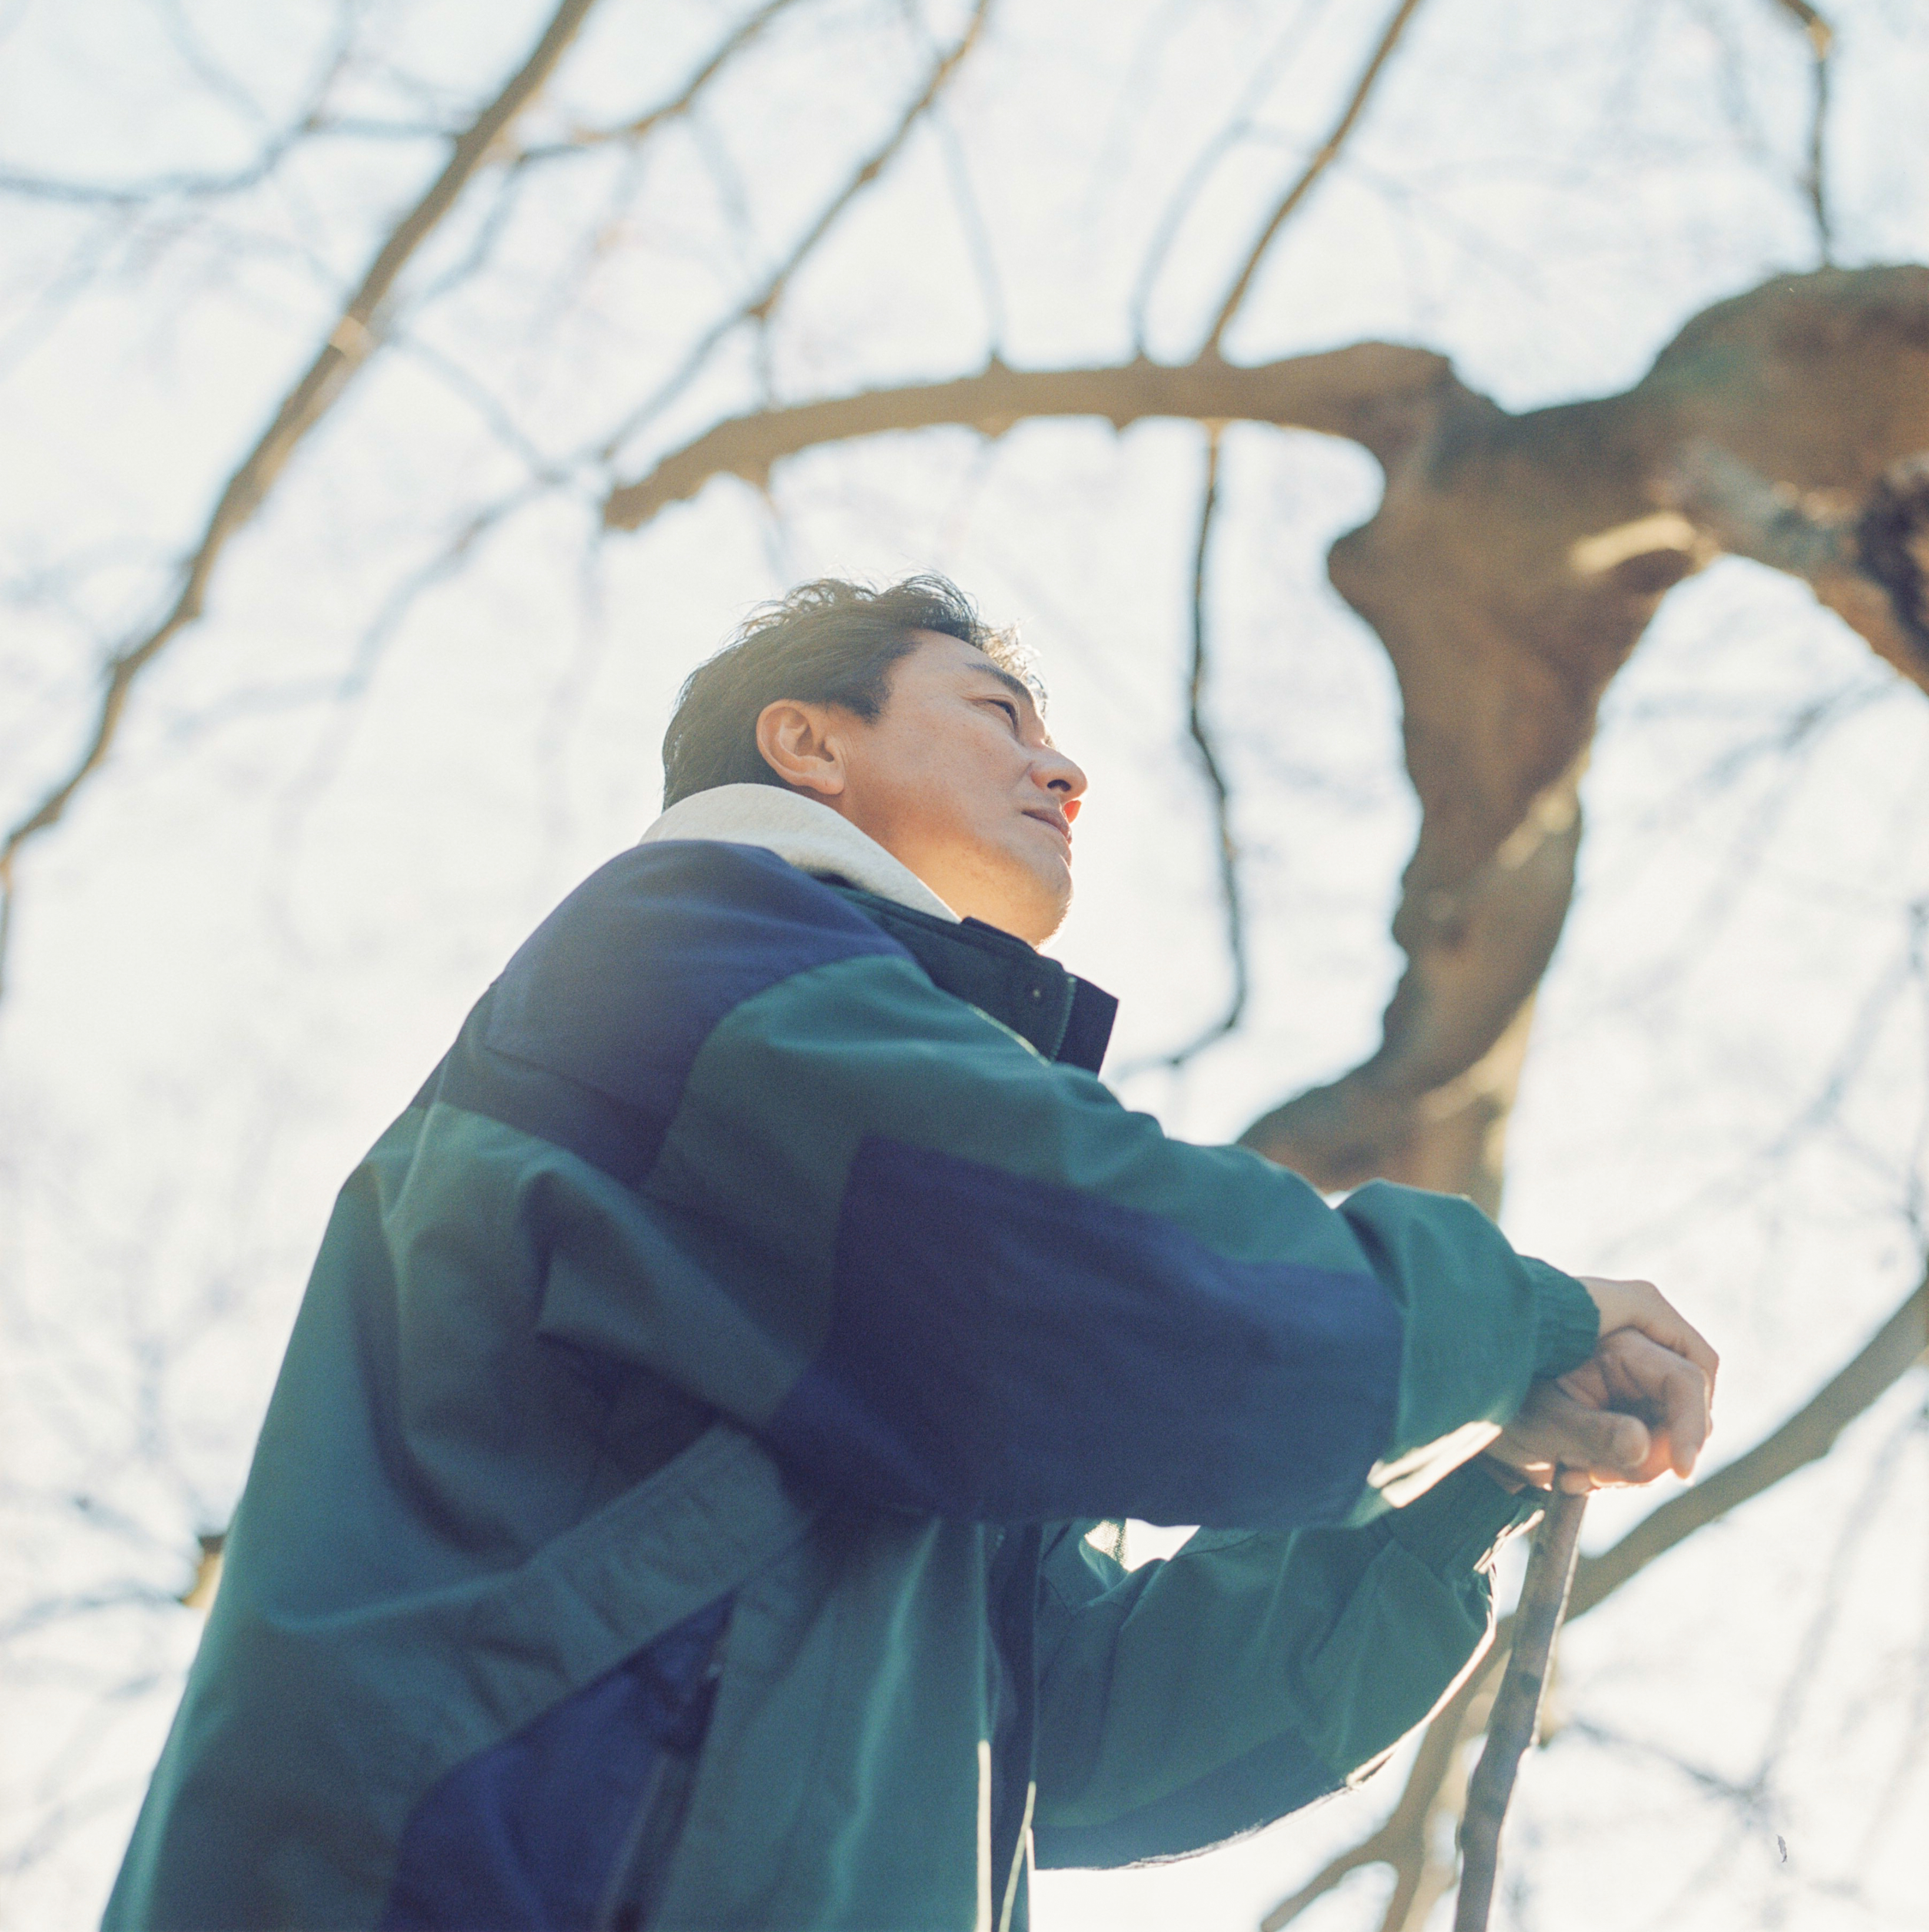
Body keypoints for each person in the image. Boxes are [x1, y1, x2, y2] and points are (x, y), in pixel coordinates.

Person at [105, 576, 1718, 1932]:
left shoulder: (908, 1274)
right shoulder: (690, 962)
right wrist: (1514, 1322)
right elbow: (1100, 1271)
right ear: (806, 744)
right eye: (1000, 714)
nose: (1066, 769)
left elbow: (1078, 1727)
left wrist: (1477, 1491)